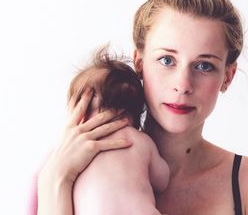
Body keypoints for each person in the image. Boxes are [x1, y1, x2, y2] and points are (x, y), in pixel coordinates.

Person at [36, 0, 248, 214]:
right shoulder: (70, 170)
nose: (183, 84)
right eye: (167, 60)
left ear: (228, 76)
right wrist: (54, 179)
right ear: (140, 63)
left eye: (204, 66)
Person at [32, 46, 169, 215]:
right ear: (136, 112)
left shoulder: (60, 156)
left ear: (80, 112)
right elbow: (162, 180)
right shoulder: (140, 141)